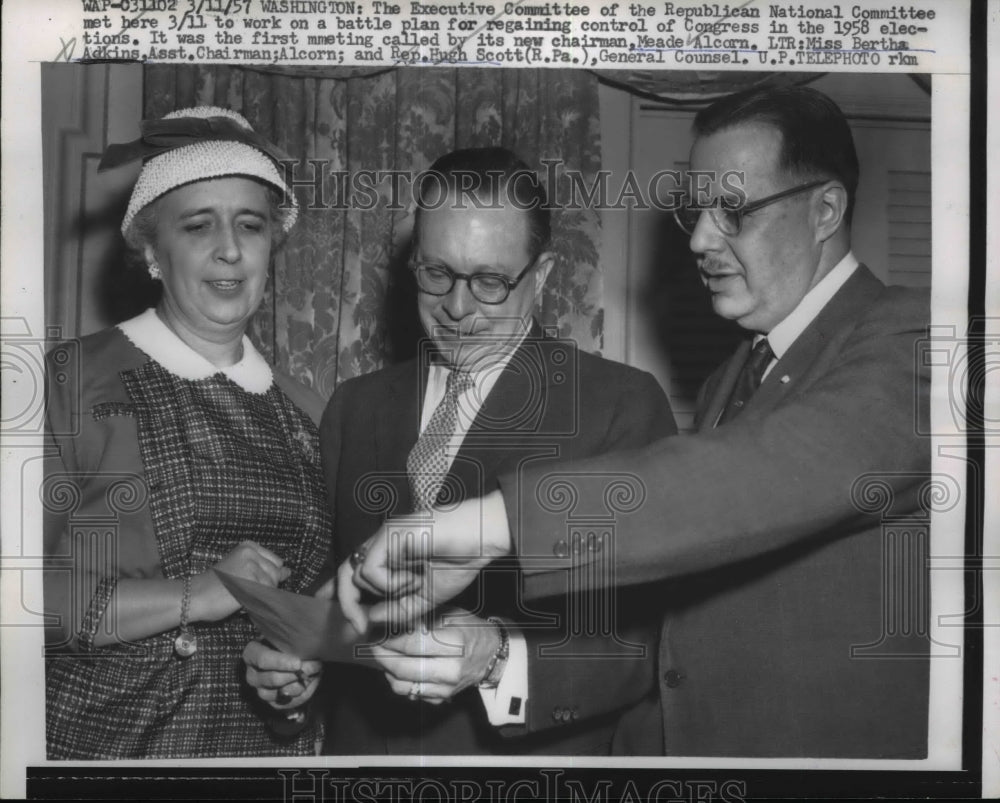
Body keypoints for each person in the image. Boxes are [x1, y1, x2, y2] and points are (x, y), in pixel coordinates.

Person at [342, 87, 932, 758]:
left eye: (733, 210)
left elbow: (753, 478)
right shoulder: (730, 378)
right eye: (696, 211)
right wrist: (498, 652)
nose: (702, 239)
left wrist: (491, 525)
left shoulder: (923, 338)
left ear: (825, 209)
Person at [244, 147, 675, 755]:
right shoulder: (354, 407)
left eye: (491, 281)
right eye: (436, 273)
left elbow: (643, 646)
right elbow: (330, 603)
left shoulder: (619, 405)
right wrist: (293, 675)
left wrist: (497, 657)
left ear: (544, 276)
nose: (457, 307)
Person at [43, 106, 330, 759]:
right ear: (151, 249)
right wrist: (192, 595)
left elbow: (320, 611)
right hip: (107, 749)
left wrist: (300, 676)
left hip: (268, 756)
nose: (229, 249)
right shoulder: (72, 380)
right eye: (198, 225)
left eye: (250, 225)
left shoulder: (313, 410)